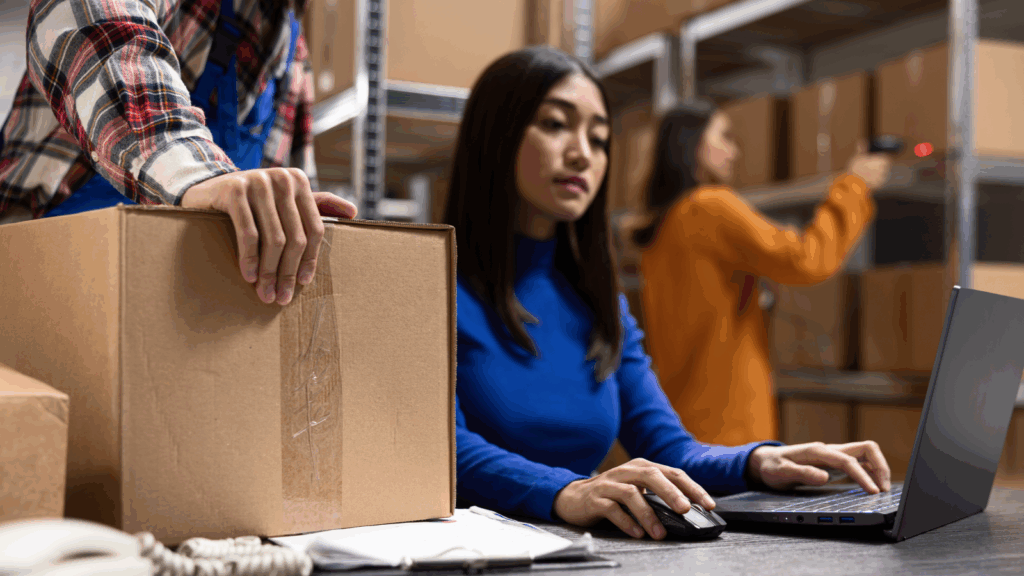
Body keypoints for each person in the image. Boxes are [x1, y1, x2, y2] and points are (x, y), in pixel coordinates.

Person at [443, 45, 892, 542]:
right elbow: (441, 446)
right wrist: (566, 491)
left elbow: (670, 447)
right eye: (554, 125)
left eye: (598, 138)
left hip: (576, 554)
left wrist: (760, 460)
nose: (583, 154)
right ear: (495, 134)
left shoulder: (599, 302)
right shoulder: (435, 289)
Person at [0, 0, 356, 305]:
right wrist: (199, 175)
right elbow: (88, 20)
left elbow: (288, 219)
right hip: (42, 292)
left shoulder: (291, 57)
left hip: (185, 324)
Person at [632, 106, 892, 446]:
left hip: (684, 420)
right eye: (724, 137)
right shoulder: (710, 206)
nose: (734, 152)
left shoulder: (665, 224)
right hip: (728, 427)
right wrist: (855, 185)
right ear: (692, 144)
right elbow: (805, 259)